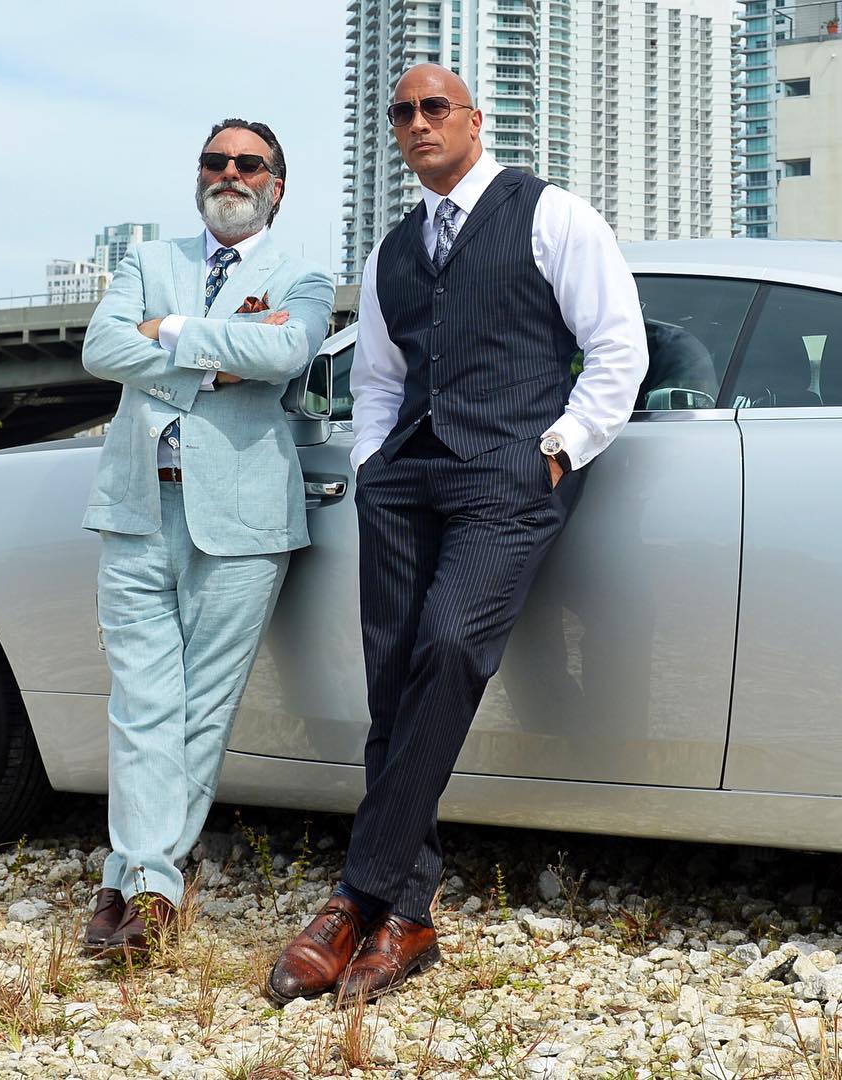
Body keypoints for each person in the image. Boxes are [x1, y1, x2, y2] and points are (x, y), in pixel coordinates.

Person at [268, 64, 648, 1003]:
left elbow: (618, 347)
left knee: (447, 649)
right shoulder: (391, 251)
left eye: (434, 107)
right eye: (401, 111)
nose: (416, 122)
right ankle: (409, 915)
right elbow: (378, 380)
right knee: (391, 683)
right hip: (403, 480)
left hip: (508, 474)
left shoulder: (551, 213)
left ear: (475, 120)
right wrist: (371, 466)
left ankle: (356, 895)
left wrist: (556, 451)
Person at [80, 118, 334, 956]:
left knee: (202, 710)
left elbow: (287, 350)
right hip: (137, 507)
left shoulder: (303, 274)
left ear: (275, 185)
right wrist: (223, 359)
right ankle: (150, 884)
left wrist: (170, 332)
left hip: (244, 520)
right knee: (142, 705)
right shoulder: (148, 260)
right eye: (215, 161)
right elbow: (101, 347)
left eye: (248, 163)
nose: (230, 173)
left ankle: (130, 882)